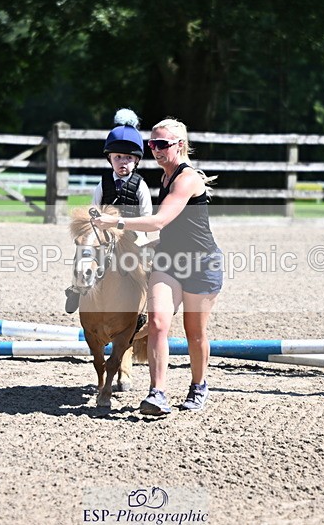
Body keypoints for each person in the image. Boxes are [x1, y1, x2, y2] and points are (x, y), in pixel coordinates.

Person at [91, 117, 223, 415]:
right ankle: (157, 393)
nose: (156, 149)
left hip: (202, 264)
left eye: (162, 144)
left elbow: (159, 221)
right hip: (169, 260)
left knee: (194, 333)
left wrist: (115, 222)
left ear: (180, 145)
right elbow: (169, 231)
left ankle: (199, 386)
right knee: (157, 324)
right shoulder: (164, 178)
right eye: (152, 144)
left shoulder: (187, 179)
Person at [65, 108, 153, 313]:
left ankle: (146, 302)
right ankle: (76, 288)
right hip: (105, 234)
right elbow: (93, 210)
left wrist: (135, 231)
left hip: (132, 233)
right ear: (110, 158)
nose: (123, 162)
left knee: (146, 263)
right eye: (118, 157)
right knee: (83, 251)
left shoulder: (140, 186)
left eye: (128, 158)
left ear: (136, 160)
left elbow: (147, 215)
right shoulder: (103, 184)